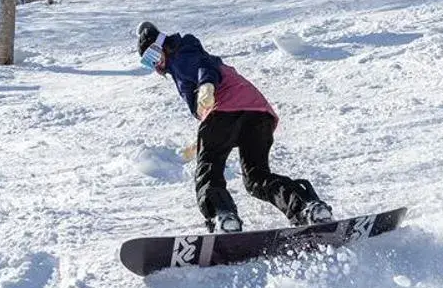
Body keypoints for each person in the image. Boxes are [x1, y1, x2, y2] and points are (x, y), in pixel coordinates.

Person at [136, 19, 334, 234]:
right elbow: (205, 103)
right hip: (258, 114)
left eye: (153, 55)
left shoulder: (182, 50)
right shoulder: (178, 67)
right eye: (148, 62)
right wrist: (200, 141)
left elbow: (204, 66)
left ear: (163, 44)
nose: (155, 64)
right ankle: (308, 207)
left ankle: (223, 216)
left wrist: (206, 85)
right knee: (257, 178)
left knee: (208, 171)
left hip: (225, 110)